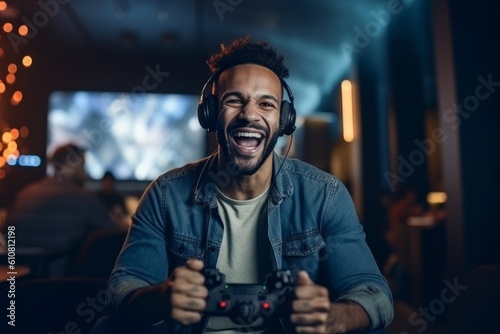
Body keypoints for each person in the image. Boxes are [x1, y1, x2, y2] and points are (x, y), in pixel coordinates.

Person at [101, 37, 393, 333]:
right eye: (234, 100)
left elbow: (374, 295)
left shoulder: (325, 196)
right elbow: (121, 291)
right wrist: (161, 297)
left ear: (284, 120)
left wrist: (334, 317)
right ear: (211, 113)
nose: (249, 115)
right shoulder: (166, 195)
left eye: (266, 104)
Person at [4, 143, 125, 276]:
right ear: (72, 164)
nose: (85, 174)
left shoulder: (24, 193)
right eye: (83, 166)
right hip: (60, 284)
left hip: (17, 282)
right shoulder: (81, 197)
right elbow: (116, 232)